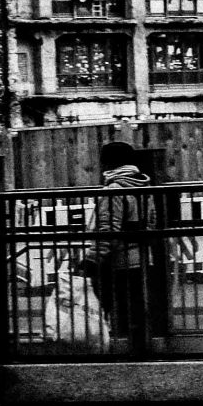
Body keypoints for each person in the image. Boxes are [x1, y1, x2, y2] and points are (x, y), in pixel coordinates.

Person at [88, 142, 154, 351]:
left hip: (119, 261)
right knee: (136, 311)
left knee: (115, 310)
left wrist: (92, 258)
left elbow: (108, 230)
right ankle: (140, 354)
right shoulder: (145, 187)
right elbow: (151, 223)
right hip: (142, 257)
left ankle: (121, 356)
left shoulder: (114, 190)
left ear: (108, 163)